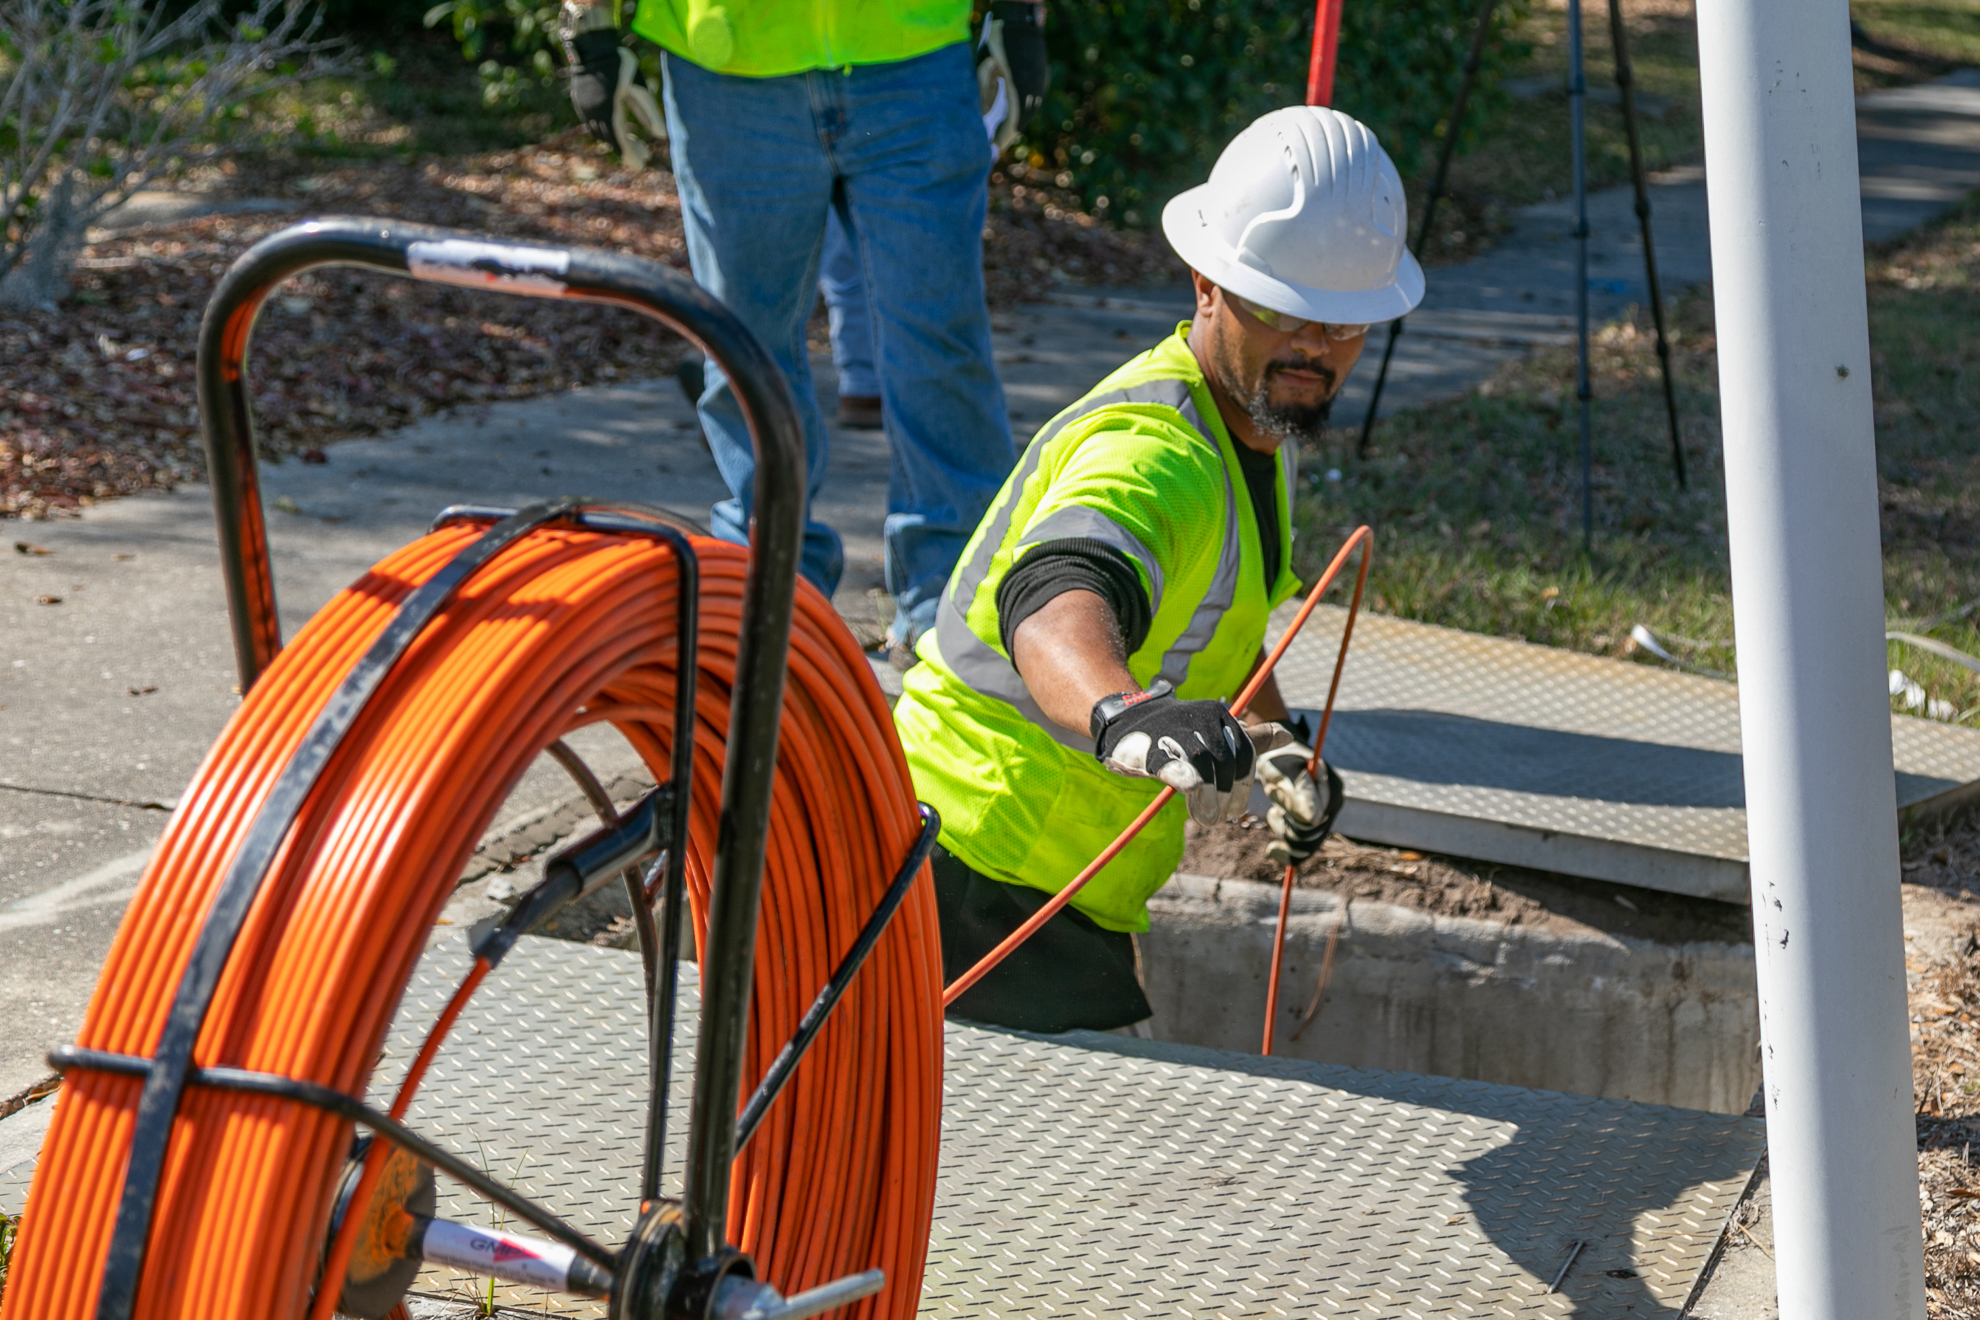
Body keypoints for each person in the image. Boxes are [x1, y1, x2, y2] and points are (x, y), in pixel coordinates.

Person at [893, 105, 1426, 1034]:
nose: (1312, 347)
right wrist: (1121, 713)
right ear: (1206, 282)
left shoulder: (1256, 425)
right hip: (972, 872)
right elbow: (1055, 602)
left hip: (1036, 874)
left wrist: (1273, 745)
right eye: (1279, 309)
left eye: (1342, 324)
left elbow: (1211, 622)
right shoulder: (1155, 454)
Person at [560, 0, 1049, 654]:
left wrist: (1021, 15)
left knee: (939, 343)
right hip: (728, 67)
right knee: (743, 351)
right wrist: (585, 25)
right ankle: (768, 591)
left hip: (909, 54)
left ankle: (956, 598)